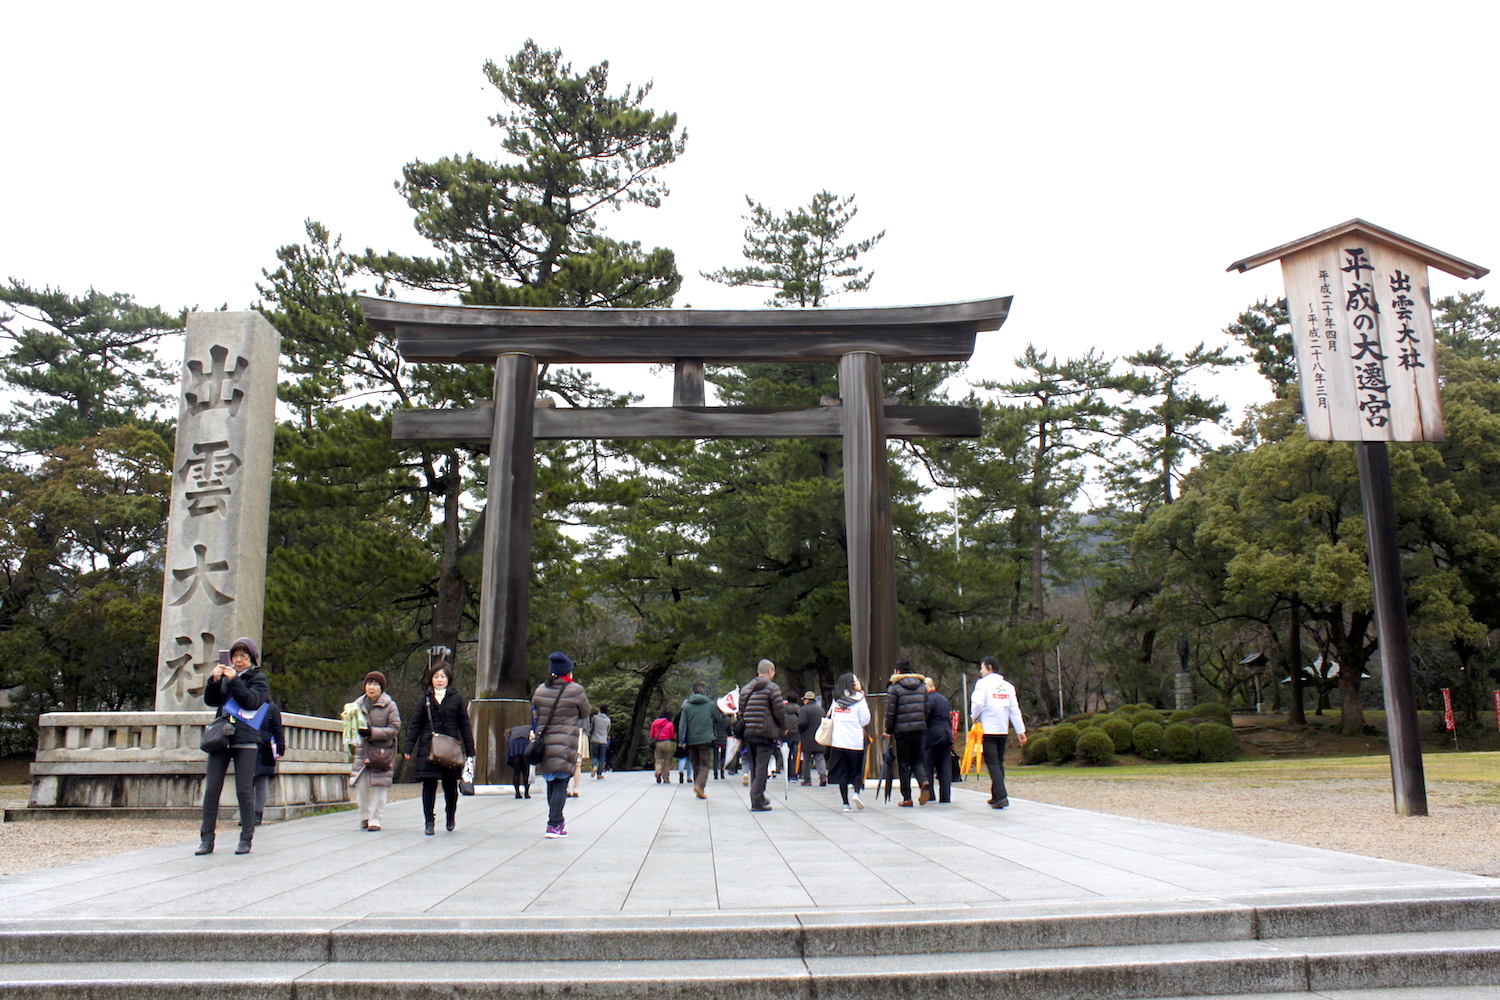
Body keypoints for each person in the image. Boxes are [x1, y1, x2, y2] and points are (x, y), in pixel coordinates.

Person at [197, 637, 270, 856]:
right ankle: (206, 839)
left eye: (243, 656)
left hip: (246, 737)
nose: (238, 661)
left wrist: (235, 680)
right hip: (221, 736)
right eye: (235, 656)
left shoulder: (259, 678)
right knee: (212, 790)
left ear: (252, 659)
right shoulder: (227, 676)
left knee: (244, 790)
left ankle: (246, 837)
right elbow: (212, 701)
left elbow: (251, 701)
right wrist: (215, 680)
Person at [404, 660, 475, 835]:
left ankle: (450, 815)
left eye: (442, 676)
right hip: (429, 748)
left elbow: (464, 725)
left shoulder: (457, 698)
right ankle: (429, 820)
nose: (439, 680)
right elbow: (415, 725)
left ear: (448, 678)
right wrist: (408, 748)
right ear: (431, 679)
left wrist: (470, 751)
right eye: (436, 676)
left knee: (451, 786)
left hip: (450, 748)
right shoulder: (425, 698)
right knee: (429, 785)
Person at [532, 651, 590, 838]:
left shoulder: (540, 690)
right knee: (561, 783)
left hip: (546, 742)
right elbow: (585, 712)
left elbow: (535, 712)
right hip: (566, 742)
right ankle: (553, 823)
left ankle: (558, 820)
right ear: (568, 673)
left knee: (551, 782)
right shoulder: (576, 690)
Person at [971, 656, 1027, 809]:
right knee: (999, 763)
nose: (980, 671)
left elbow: (978, 703)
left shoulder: (982, 684)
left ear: (989, 667)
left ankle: (1002, 796)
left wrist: (974, 717)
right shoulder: (1008, 686)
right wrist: (1020, 731)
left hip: (988, 729)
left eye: (982, 668)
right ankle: (996, 795)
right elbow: (1014, 710)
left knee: (992, 763)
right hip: (1003, 729)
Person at [350, 671, 401, 831]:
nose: (371, 687)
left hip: (382, 752)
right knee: (360, 784)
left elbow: (395, 728)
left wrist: (372, 732)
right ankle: (365, 815)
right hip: (363, 751)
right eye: (369, 684)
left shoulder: (389, 705)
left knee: (380, 786)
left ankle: (376, 819)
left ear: (381, 687)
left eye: (375, 684)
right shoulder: (357, 705)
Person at [738, 659, 789, 813]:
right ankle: (756, 796)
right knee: (762, 767)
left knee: (754, 766)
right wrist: (783, 728)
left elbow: (741, 711)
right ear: (770, 671)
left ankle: (758, 800)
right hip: (765, 733)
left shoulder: (746, 689)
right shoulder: (772, 688)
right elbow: (779, 711)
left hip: (748, 733)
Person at [885, 659, 931, 806]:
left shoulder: (895, 688)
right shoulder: (922, 687)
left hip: (902, 731)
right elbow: (927, 709)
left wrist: (889, 730)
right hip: (920, 729)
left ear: (898, 672)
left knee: (904, 764)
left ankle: (907, 797)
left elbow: (890, 712)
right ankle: (923, 781)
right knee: (917, 760)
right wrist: (923, 723)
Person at [828, 672, 871, 812]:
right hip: (855, 741)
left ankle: (845, 803)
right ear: (851, 684)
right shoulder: (860, 699)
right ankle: (856, 793)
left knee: (842, 773)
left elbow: (832, 716)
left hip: (838, 741)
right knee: (856, 770)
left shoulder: (836, 700)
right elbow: (865, 719)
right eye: (856, 680)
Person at [677, 682, 724, 799]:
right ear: (705, 691)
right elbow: (719, 718)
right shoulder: (710, 705)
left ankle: (699, 789)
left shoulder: (686, 705)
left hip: (691, 740)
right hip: (706, 739)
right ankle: (699, 786)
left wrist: (681, 741)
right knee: (704, 764)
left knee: (695, 764)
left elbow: (682, 725)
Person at [252, 698, 285, 826]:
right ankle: (247, 813)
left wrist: (280, 747)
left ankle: (257, 813)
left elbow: (277, 729)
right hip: (249, 746)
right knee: (246, 784)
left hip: (265, 748)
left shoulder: (271, 708)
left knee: (261, 782)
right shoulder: (246, 705)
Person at [923, 677, 954, 804]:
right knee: (944, 766)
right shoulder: (944, 699)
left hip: (933, 735)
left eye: (924, 685)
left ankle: (930, 794)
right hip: (946, 733)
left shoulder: (928, 699)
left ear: (930, 686)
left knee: (928, 765)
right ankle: (945, 795)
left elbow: (925, 717)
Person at [796, 691, 827, 787]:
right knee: (819, 758)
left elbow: (802, 723)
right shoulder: (821, 710)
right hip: (820, 738)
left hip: (807, 738)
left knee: (806, 759)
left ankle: (807, 779)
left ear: (807, 700)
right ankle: (823, 777)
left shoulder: (804, 709)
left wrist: (800, 732)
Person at [506, 723, 533, 799]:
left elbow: (507, 741)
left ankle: (517, 793)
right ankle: (526, 793)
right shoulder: (531, 727)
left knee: (516, 771)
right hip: (525, 742)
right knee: (526, 771)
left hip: (514, 744)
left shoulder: (512, 730)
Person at [650, 713, 676, 784]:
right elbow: (672, 735)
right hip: (667, 742)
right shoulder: (670, 724)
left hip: (658, 742)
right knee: (666, 761)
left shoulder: (655, 723)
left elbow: (651, 734)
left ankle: (658, 772)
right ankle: (666, 778)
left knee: (658, 759)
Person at [589, 706, 611, 778]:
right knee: (602, 757)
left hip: (594, 740)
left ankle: (594, 766)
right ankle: (599, 774)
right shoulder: (608, 720)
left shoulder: (595, 717)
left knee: (595, 756)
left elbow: (591, 727)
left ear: (600, 710)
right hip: (603, 741)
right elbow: (608, 730)